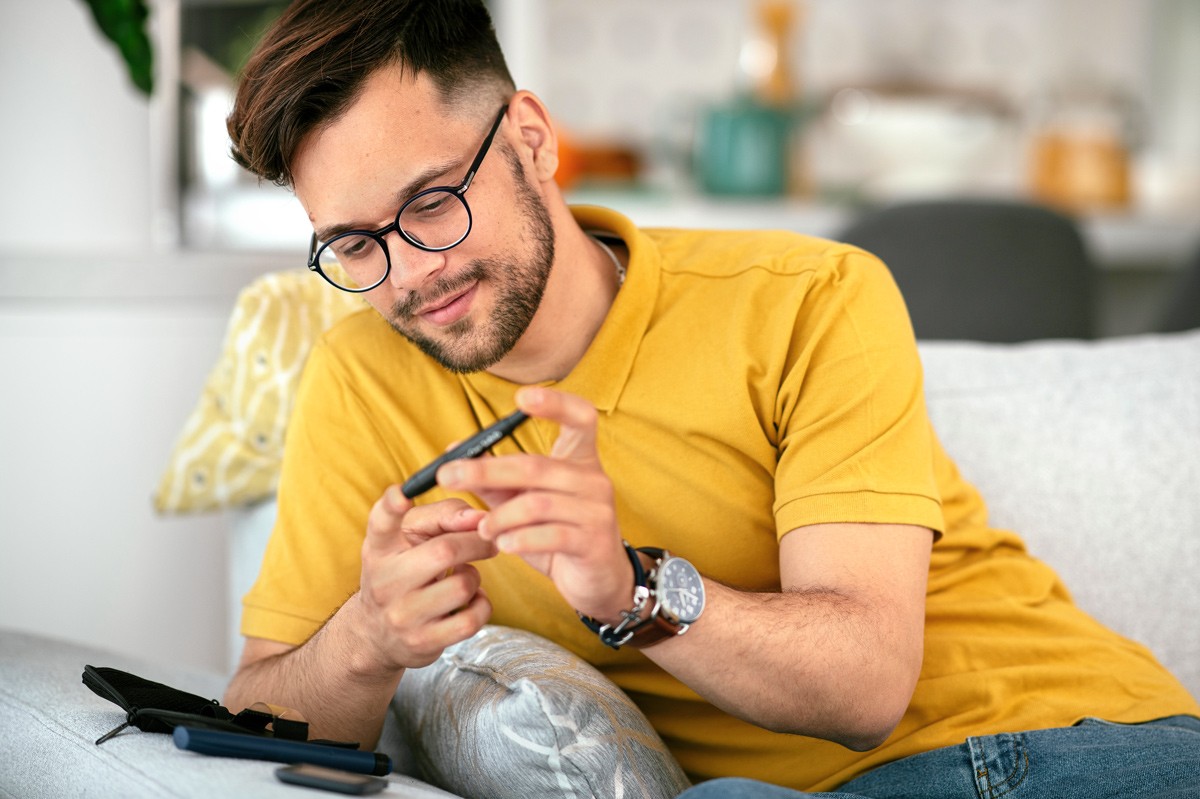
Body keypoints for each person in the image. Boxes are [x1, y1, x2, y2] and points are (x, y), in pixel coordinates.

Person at [222, 0, 1200, 795]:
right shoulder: (363, 378)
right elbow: (259, 724)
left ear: (531, 139)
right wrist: (369, 639)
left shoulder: (809, 297)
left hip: (1076, 745)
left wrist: (632, 590)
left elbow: (865, 684)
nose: (408, 275)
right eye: (355, 243)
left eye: (433, 202)